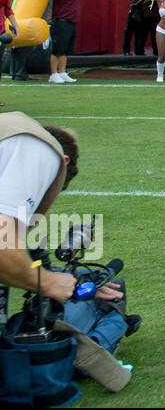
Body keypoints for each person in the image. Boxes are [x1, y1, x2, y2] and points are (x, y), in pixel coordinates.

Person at [0, 113, 121, 305]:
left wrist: (73, 283)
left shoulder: (13, 135)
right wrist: (48, 282)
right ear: (63, 161)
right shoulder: (41, 149)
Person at [49, 0, 81, 84]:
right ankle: (53, 74)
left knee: (65, 50)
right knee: (57, 49)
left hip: (70, 22)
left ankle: (62, 72)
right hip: (61, 22)